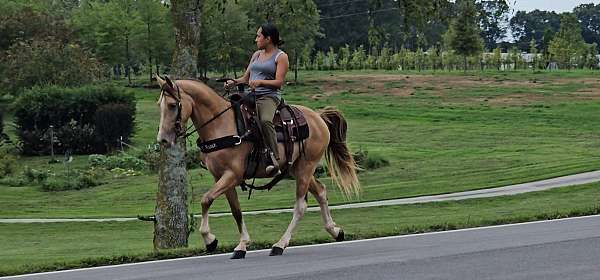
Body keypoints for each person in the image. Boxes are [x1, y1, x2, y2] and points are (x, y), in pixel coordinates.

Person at [225, 23, 289, 175]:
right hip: (251, 94)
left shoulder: (281, 57)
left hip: (268, 96)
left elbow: (279, 82)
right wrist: (234, 82)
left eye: (258, 36)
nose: (256, 39)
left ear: (268, 38)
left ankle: (274, 157)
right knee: (228, 110)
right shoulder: (256, 55)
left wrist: (261, 82)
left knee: (265, 120)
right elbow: (246, 78)